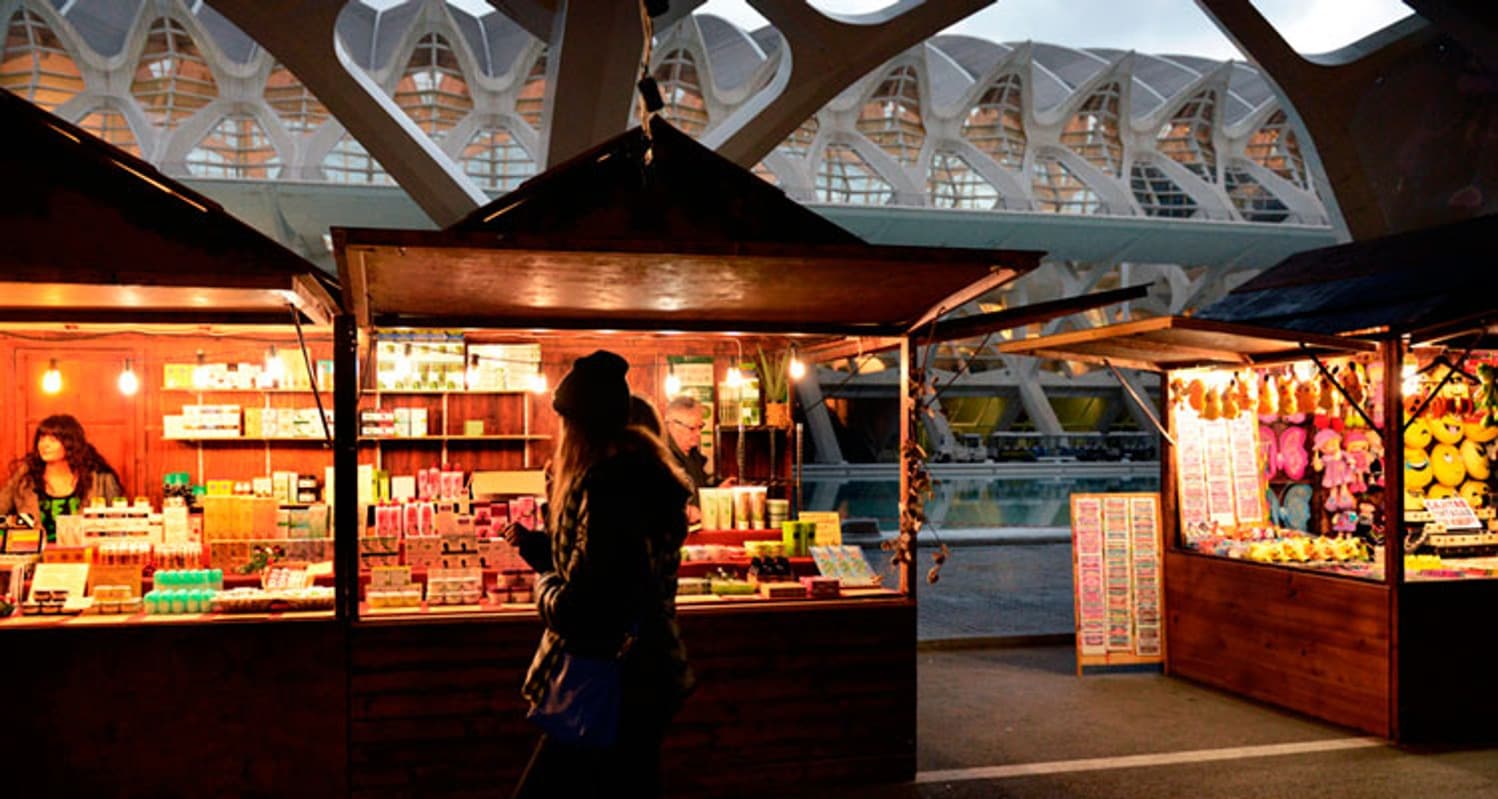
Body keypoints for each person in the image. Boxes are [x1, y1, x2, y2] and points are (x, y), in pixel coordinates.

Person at [510, 351, 694, 799]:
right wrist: (547, 554)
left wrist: (545, 586)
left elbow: (584, 609)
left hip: (609, 678)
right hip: (645, 673)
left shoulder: (608, 486)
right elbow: (603, 570)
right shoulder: (644, 476)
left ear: (580, 426)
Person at [0, 414, 123, 543]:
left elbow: (119, 526)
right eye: (41, 439)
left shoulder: (100, 478)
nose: (44, 445)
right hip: (35, 558)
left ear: (71, 444)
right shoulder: (25, 477)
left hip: (85, 556)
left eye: (53, 440)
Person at [662, 395, 735, 498]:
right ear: (673, 425)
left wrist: (718, 491)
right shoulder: (661, 457)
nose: (698, 434)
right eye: (692, 428)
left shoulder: (694, 455)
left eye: (700, 427)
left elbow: (701, 490)